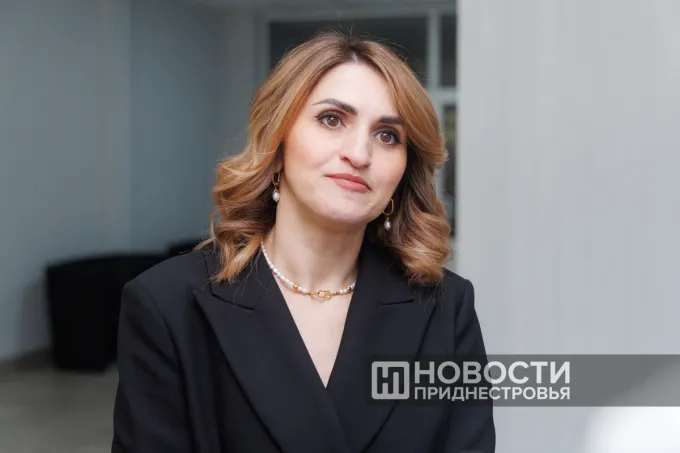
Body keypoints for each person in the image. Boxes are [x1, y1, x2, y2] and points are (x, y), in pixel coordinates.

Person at [111, 31, 495, 453]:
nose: (359, 154)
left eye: (387, 135)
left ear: (402, 174)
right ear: (277, 145)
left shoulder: (445, 308)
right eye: (332, 119)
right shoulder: (166, 304)